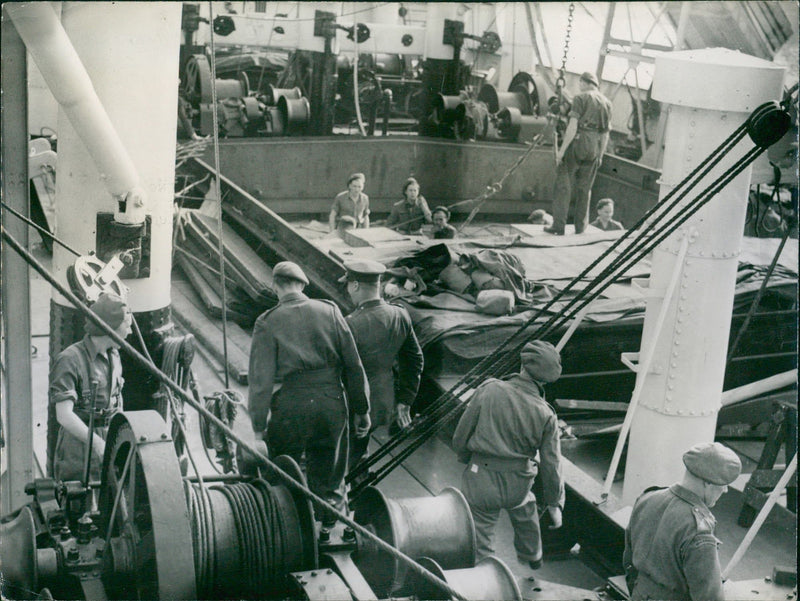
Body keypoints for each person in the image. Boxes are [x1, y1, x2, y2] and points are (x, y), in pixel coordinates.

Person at [248, 261, 371, 525]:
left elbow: (261, 381)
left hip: (292, 405)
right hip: (331, 402)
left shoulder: (267, 322)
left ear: (275, 286)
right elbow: (353, 365)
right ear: (303, 285)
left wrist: (258, 426)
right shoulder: (330, 311)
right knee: (331, 480)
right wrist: (362, 410)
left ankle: (289, 530)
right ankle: (330, 529)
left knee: (283, 474)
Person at [452, 340, 565, 569]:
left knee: (481, 535)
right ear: (547, 378)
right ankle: (532, 554)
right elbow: (552, 464)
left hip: (481, 478)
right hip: (518, 482)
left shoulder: (490, 389)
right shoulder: (546, 414)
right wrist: (554, 504)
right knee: (525, 503)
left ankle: (485, 579)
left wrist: (467, 458)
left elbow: (460, 437)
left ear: (523, 365)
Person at [623, 442, 743, 601]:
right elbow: (710, 597)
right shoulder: (698, 530)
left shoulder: (648, 498)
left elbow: (629, 562)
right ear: (708, 482)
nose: (725, 490)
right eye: (724, 485)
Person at [341, 259, 424, 471]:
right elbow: (415, 359)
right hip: (383, 400)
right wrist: (405, 399)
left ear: (356, 285)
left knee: (343, 456)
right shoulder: (400, 314)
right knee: (360, 449)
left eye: (348, 284)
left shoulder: (350, 323)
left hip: (353, 406)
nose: (348, 290)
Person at [50, 292, 132, 481]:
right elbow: (63, 415)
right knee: (80, 504)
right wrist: (96, 443)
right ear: (110, 328)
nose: (130, 332)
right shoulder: (70, 360)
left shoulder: (114, 356)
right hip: (78, 448)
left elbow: (117, 400)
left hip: (109, 441)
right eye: (126, 326)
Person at [546, 71, 612, 235]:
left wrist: (561, 151)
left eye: (580, 83)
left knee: (563, 184)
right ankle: (581, 227)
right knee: (585, 188)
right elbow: (605, 134)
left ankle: (558, 226)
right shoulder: (606, 103)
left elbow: (572, 126)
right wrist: (600, 155)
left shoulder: (580, 98)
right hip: (594, 146)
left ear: (583, 82)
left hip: (579, 142)